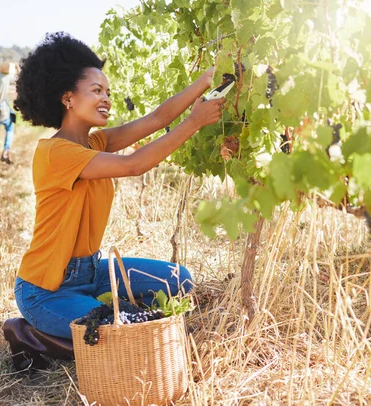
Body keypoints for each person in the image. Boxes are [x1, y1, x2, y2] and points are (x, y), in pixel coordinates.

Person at [13, 32, 225, 340]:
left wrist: (207, 80)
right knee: (125, 329)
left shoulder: (94, 142)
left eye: (108, 91)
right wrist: (193, 123)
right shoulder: (55, 153)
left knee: (179, 280)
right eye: (96, 90)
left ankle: (93, 316)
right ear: (67, 98)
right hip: (46, 288)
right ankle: (37, 334)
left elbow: (157, 118)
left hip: (94, 272)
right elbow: (134, 164)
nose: (106, 99)